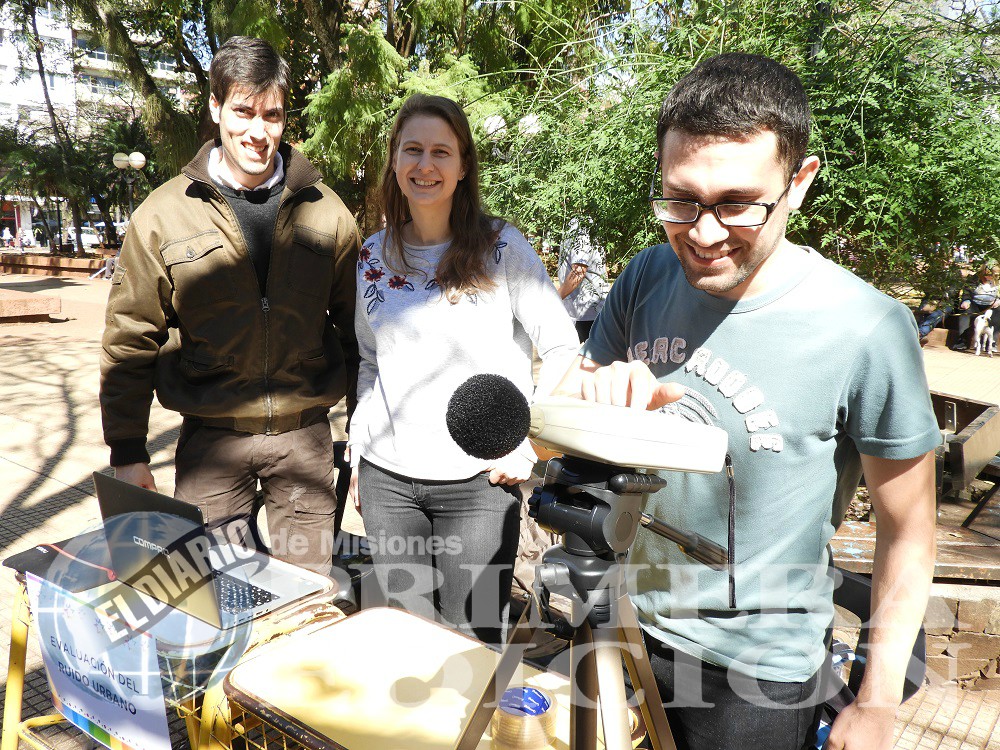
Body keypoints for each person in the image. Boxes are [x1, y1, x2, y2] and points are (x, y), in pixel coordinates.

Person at [558, 53, 940, 750]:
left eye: (737, 204)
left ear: (799, 182)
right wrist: (594, 394)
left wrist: (878, 699)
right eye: (681, 199)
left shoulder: (867, 328)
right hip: (617, 625)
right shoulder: (648, 274)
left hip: (755, 678)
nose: (702, 234)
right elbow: (575, 397)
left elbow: (909, 530)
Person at [99, 36, 359, 574]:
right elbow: (130, 338)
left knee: (308, 600)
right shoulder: (163, 215)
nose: (258, 132)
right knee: (215, 600)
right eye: (243, 111)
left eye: (273, 115)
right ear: (215, 108)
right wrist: (127, 451)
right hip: (210, 444)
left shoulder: (328, 212)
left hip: (306, 443)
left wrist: (363, 434)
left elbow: (360, 333)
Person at [347, 94, 579, 643]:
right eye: (413, 150)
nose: (425, 165)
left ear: (462, 165)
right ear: (394, 162)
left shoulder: (502, 249)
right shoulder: (371, 256)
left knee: (471, 641)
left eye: (440, 152)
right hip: (388, 484)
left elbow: (565, 349)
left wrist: (529, 445)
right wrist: (359, 445)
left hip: (478, 486)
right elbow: (370, 359)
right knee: (408, 637)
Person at [557, 216, 611, 341]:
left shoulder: (581, 227)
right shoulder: (580, 224)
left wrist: (554, 300)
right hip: (581, 312)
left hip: (587, 313)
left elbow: (579, 272)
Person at [951, 262, 999, 352]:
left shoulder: (998, 280)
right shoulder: (975, 279)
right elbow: (966, 291)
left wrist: (998, 300)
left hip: (991, 305)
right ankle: (962, 341)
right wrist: (966, 300)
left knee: (998, 312)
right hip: (975, 304)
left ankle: (992, 342)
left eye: (992, 275)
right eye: (987, 275)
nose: (989, 277)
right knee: (966, 311)